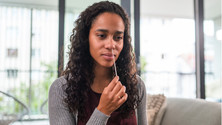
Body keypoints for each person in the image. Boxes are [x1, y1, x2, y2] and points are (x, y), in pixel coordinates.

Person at [48, 1, 147, 125]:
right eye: (101, 35)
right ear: (86, 38)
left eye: (118, 37)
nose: (111, 45)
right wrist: (103, 111)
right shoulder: (61, 89)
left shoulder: (137, 86)